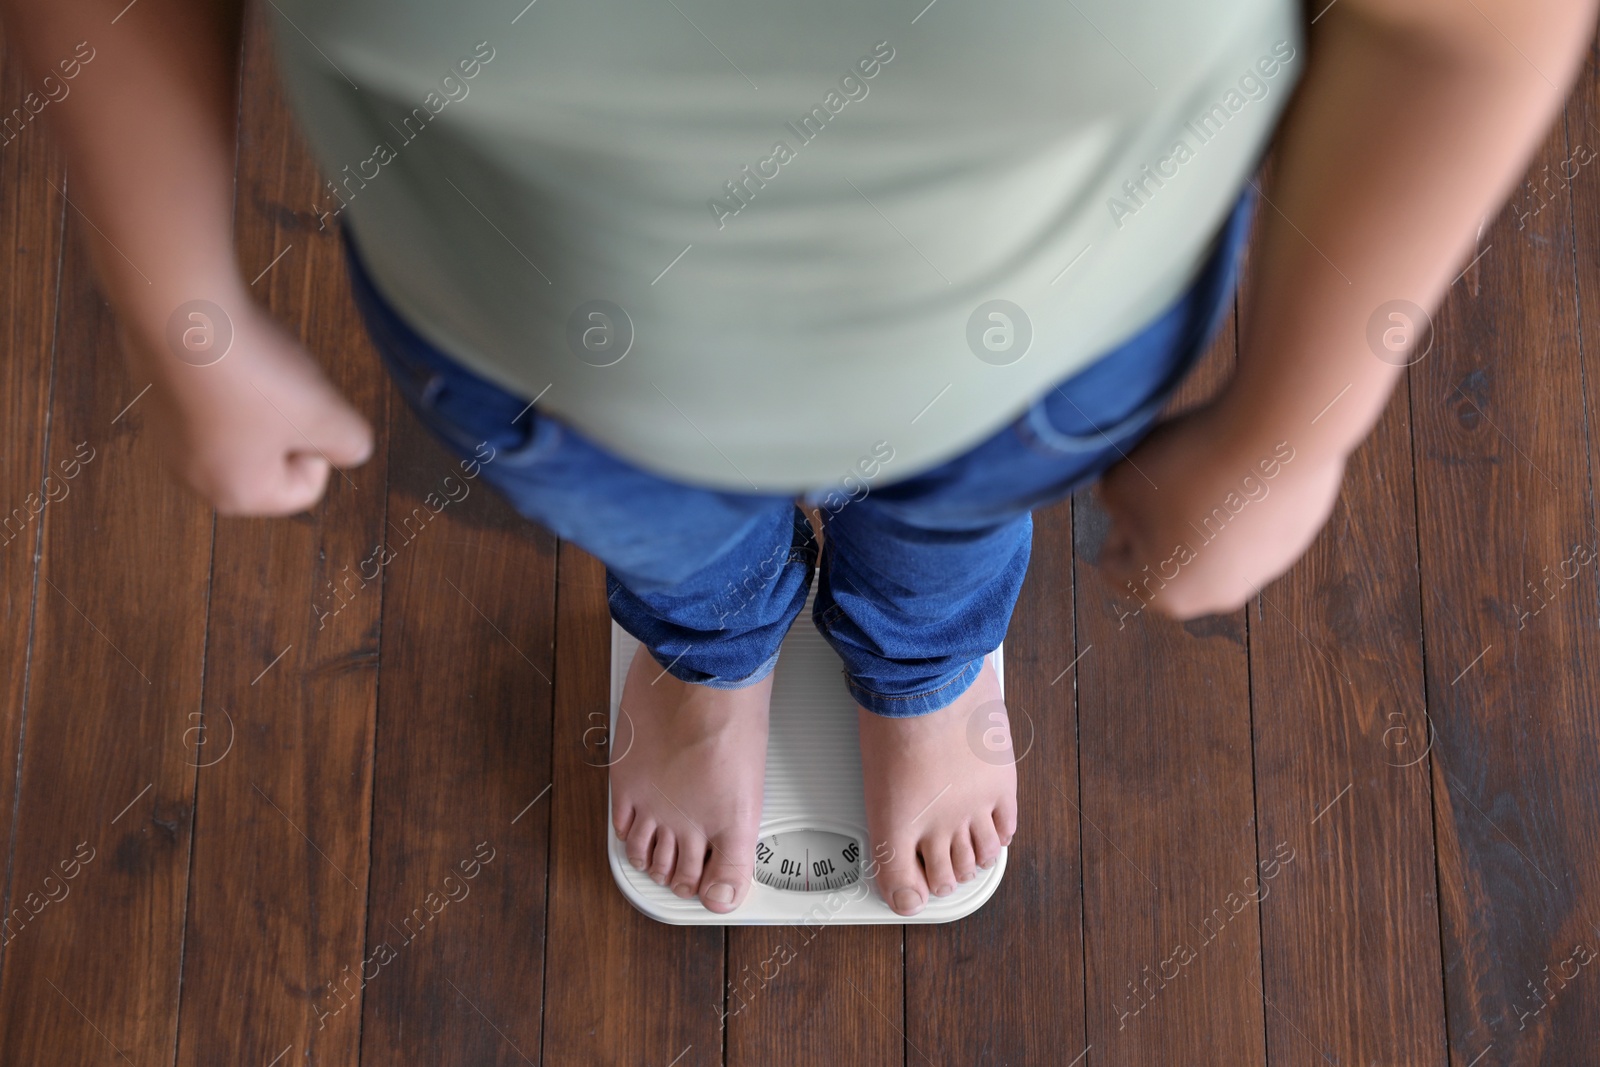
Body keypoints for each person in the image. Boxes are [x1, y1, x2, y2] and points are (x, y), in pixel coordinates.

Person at [2, 0, 1592, 918]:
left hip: (1043, 350)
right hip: (530, 354)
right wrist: (183, 315)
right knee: (667, 545)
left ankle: (919, 663)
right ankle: (708, 655)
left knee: (958, 530)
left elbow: (1458, 25)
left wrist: (1295, 441)